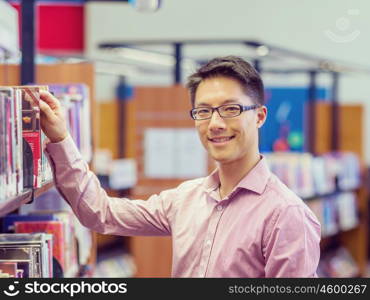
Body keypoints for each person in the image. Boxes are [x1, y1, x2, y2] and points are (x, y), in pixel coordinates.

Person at [39, 56, 321, 278]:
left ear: (259, 116)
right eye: (204, 111)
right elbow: (101, 213)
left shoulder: (286, 215)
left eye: (231, 109)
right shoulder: (186, 199)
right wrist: (61, 138)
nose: (216, 124)